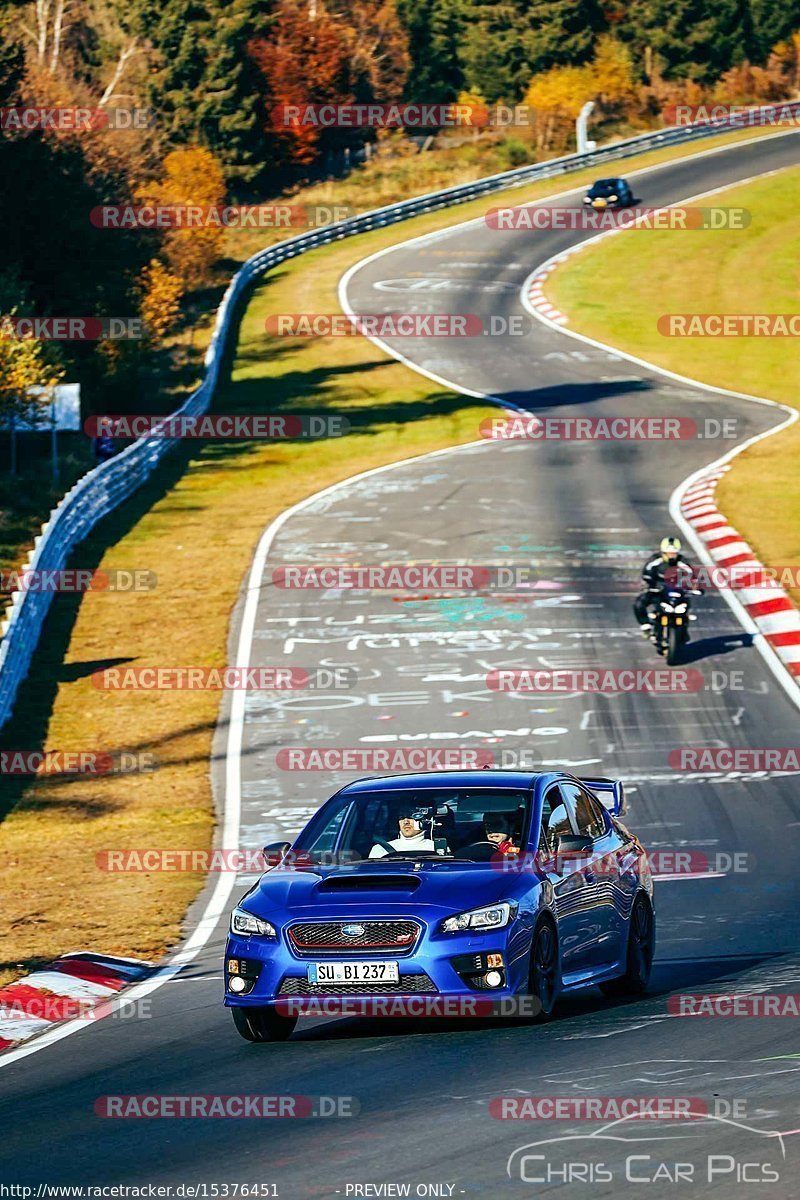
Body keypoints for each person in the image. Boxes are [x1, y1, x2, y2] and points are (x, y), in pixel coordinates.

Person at [633, 536, 700, 636]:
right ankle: (646, 625)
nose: (671, 556)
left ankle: (684, 627)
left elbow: (692, 575)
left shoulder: (682, 561)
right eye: (668, 553)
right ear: (663, 552)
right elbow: (646, 573)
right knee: (639, 604)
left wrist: (695, 587)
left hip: (676, 590)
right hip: (657, 590)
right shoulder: (655, 561)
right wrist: (651, 585)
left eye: (674, 553)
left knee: (685, 605)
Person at [369, 810, 436, 858]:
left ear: (425, 821)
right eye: (401, 818)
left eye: (412, 817)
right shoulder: (380, 849)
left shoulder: (437, 848)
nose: (406, 822)